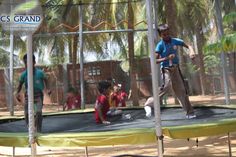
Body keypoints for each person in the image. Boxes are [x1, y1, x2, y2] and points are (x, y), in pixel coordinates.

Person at [144, 24, 196, 119]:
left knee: (181, 90)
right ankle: (148, 104)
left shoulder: (175, 41)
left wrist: (191, 51)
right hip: (166, 69)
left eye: (168, 33)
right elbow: (155, 60)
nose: (167, 36)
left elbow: (188, 45)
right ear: (161, 35)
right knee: (166, 87)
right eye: (164, 35)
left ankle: (190, 112)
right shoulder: (160, 46)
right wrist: (166, 58)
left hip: (175, 68)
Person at [16, 54, 50, 132]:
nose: (27, 64)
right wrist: (17, 93)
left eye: (29, 62)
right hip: (28, 94)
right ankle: (30, 128)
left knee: (38, 112)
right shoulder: (24, 74)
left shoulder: (40, 73)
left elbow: (46, 79)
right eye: (25, 63)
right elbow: (20, 84)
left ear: (34, 62)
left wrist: (48, 88)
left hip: (38, 94)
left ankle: (38, 130)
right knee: (27, 113)